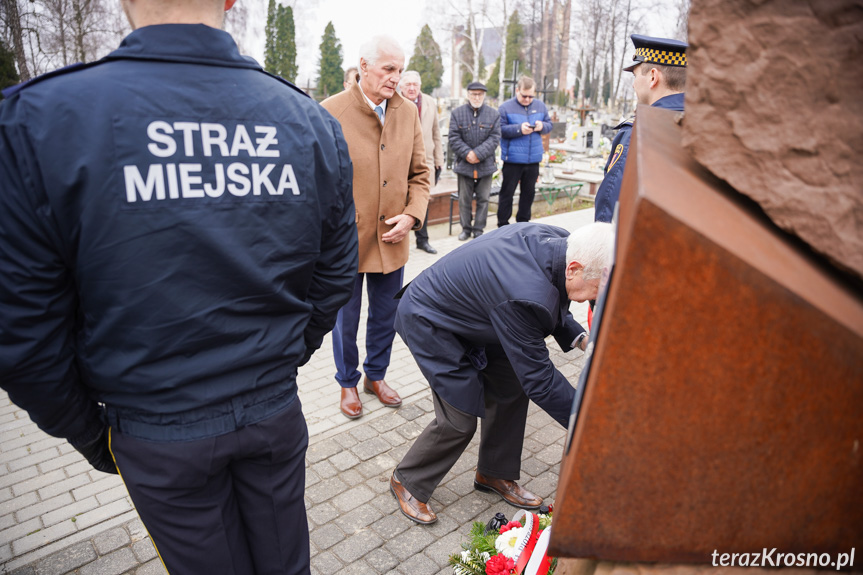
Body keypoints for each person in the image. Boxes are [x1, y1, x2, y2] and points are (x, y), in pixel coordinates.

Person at [0, 0, 358, 573]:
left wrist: (95, 435)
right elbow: (335, 273)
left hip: (158, 427)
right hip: (266, 411)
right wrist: (281, 358)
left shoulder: (38, 120)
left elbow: (21, 336)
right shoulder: (307, 120)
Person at [390, 222, 614, 524]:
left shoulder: (566, 243)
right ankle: (408, 480)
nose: (594, 300)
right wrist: (588, 424)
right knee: (459, 418)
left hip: (483, 314)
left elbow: (555, 293)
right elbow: (542, 380)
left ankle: (494, 473)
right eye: (596, 292)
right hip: (430, 320)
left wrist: (583, 339)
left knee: (511, 384)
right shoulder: (525, 293)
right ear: (575, 268)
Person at [322, 36, 430, 420]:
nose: (395, 78)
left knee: (387, 315)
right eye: (389, 69)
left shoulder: (408, 112)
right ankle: (347, 382)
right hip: (346, 242)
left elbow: (421, 173)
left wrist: (412, 215)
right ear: (364, 66)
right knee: (344, 319)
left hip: (393, 238)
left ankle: (376, 376)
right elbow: (314, 179)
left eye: (400, 70)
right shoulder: (330, 112)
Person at [594, 34, 687, 223]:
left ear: (653, 76)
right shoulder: (709, 129)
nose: (634, 84)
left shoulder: (637, 133)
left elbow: (610, 208)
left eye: (636, 76)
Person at [448, 81, 501, 241]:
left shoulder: (493, 114)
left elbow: (495, 138)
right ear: (468, 95)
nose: (476, 97)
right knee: (464, 199)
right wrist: (467, 154)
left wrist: (478, 153)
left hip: (485, 164)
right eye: (473, 94)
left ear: (484, 95)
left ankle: (478, 229)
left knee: (483, 199)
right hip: (464, 164)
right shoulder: (458, 113)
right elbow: (454, 137)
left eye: (479, 94)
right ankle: (466, 229)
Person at [497, 76, 552, 227]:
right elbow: (499, 130)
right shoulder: (505, 107)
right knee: (507, 194)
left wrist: (542, 126)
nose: (528, 99)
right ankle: (503, 225)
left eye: (531, 96)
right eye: (524, 96)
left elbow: (549, 125)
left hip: (533, 159)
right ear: (517, 91)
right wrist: (519, 129)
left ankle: (523, 224)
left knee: (528, 194)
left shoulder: (540, 106)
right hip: (513, 160)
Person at [399, 70, 443, 254]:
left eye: (415, 85)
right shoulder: (394, 102)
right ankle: (401, 241)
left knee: (422, 200)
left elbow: (436, 132)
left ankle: (422, 240)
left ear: (420, 86)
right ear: (401, 86)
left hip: (425, 160)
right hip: (400, 162)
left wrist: (439, 159)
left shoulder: (429, 102)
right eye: (408, 84)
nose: (412, 88)